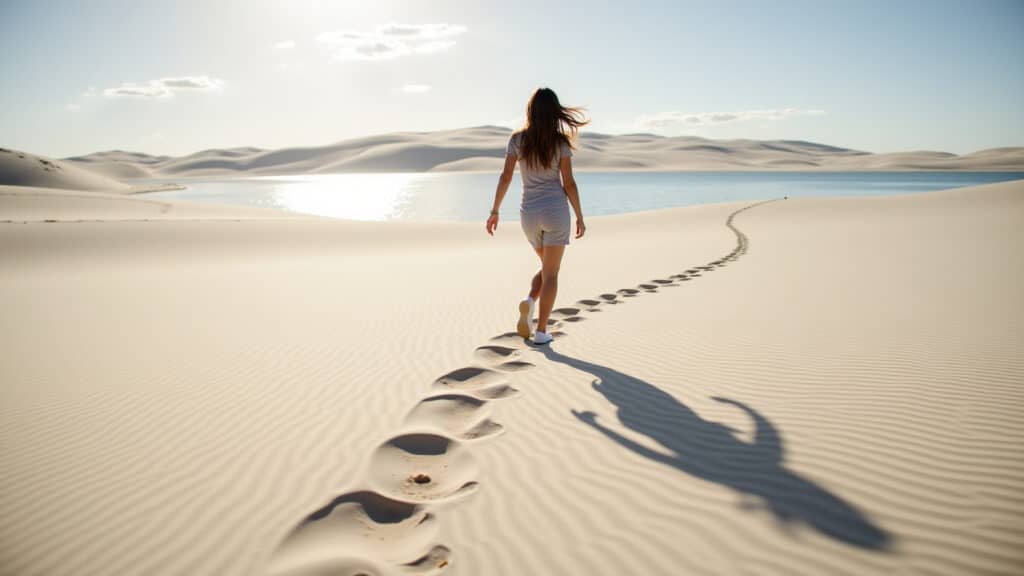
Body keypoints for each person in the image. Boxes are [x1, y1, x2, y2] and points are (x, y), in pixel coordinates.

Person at [486, 88, 587, 345]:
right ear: (555, 112)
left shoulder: (517, 140)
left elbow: (505, 177)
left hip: (528, 214)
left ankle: (530, 301)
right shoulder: (560, 143)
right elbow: (570, 183)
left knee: (546, 268)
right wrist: (580, 216)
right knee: (552, 274)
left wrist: (495, 211)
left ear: (530, 111)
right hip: (555, 212)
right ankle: (541, 331)